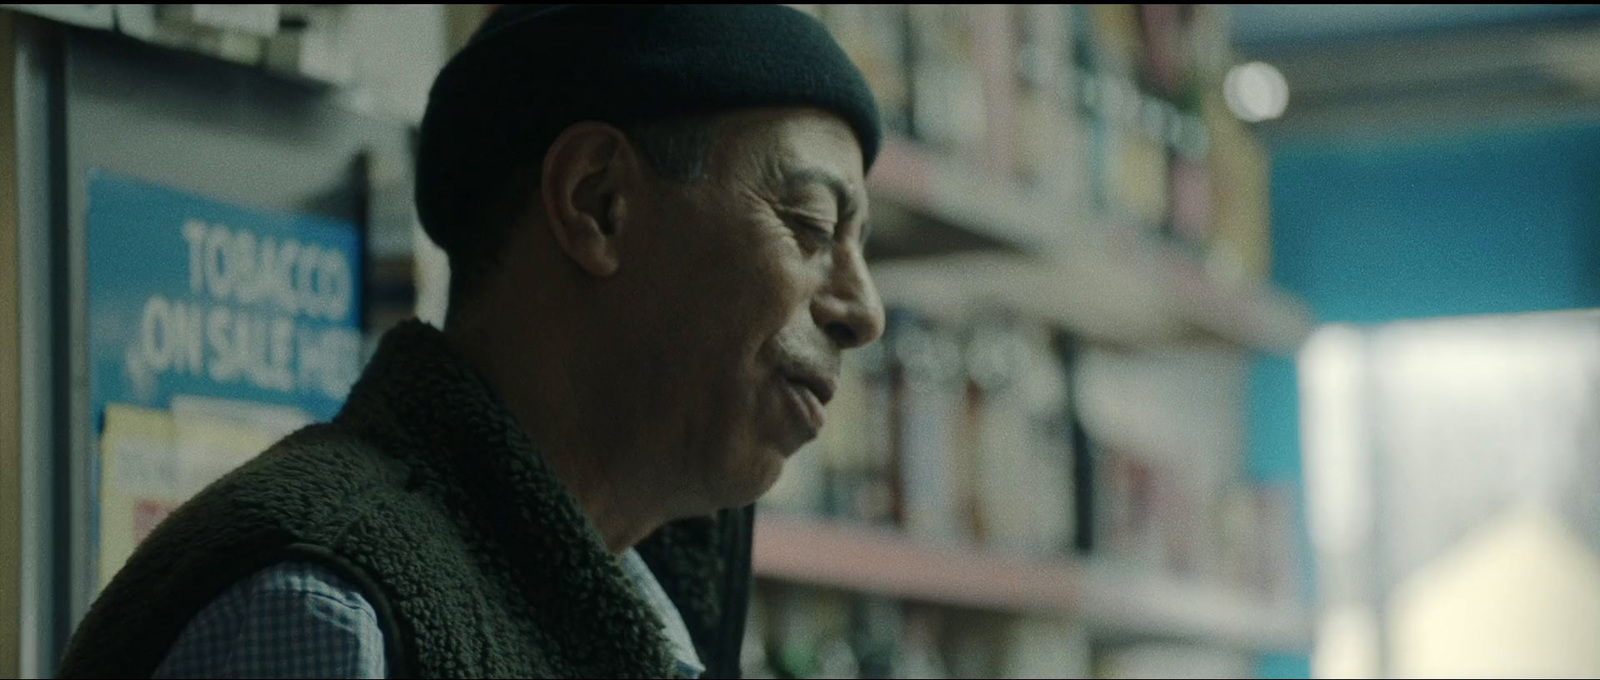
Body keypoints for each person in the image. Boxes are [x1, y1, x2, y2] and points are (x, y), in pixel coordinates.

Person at [56, 5, 886, 678]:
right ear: (598, 202)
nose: (863, 308)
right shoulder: (325, 605)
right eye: (811, 224)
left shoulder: (641, 623)